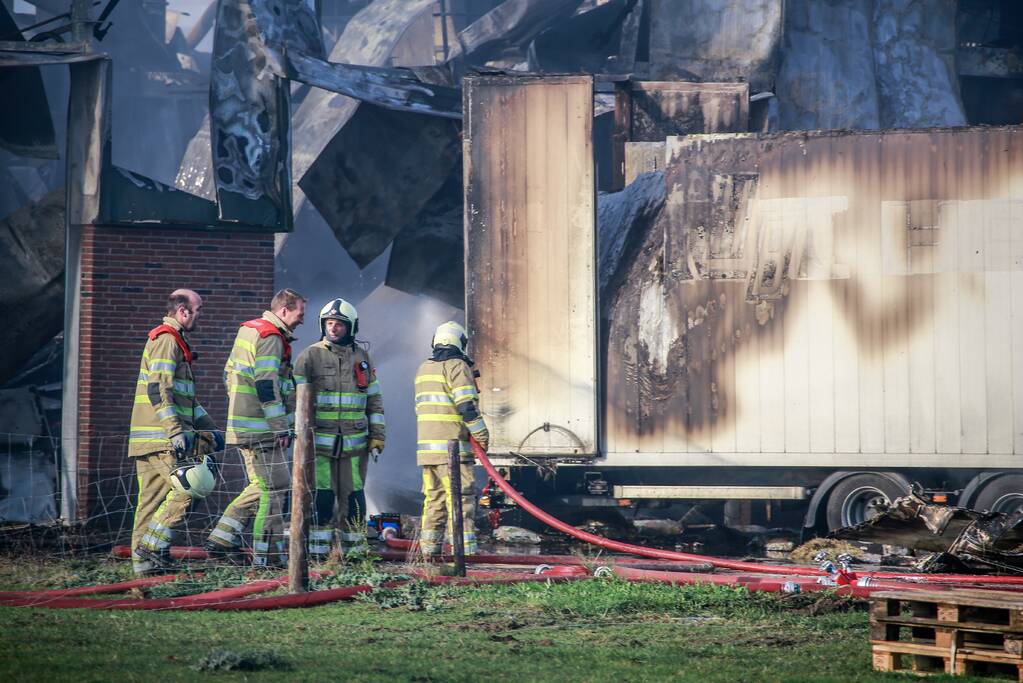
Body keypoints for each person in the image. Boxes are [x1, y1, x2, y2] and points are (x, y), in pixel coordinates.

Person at [204, 288, 305, 567]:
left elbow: (228, 374)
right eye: (299, 313)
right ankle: (268, 556)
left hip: (249, 424)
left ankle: (223, 538)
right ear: (284, 310)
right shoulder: (271, 336)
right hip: (263, 430)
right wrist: (280, 426)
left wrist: (242, 410)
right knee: (276, 486)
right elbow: (265, 384)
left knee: (261, 485)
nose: (302, 320)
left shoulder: (249, 331)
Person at [129, 289, 223, 575]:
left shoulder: (174, 341)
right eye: (199, 310)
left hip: (153, 439)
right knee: (190, 490)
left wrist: (210, 429)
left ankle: (143, 569)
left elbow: (186, 400)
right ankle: (151, 548)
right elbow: (158, 389)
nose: (201, 315)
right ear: (183, 311)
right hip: (163, 438)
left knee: (151, 503)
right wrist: (175, 432)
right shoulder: (167, 340)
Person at [293, 298, 385, 558]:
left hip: (355, 448)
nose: (333, 328)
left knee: (354, 498)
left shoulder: (362, 358)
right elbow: (293, 398)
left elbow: (374, 399)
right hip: (319, 446)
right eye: (329, 323)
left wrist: (377, 437)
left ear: (351, 327)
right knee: (322, 498)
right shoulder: (311, 356)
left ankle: (354, 554)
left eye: (339, 324)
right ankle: (318, 556)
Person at [413, 321, 489, 557]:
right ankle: (463, 553)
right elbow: (466, 407)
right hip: (453, 450)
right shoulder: (457, 366)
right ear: (460, 343)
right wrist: (482, 435)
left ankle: (428, 551)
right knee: (461, 498)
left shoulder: (424, 368)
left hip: (428, 451)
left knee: (433, 499)